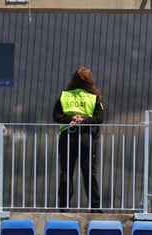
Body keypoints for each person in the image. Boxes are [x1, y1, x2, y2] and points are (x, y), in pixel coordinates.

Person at [53, 66, 104, 210]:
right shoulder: (93, 98)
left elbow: (56, 115)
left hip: (67, 135)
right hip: (86, 136)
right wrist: (84, 120)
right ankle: (95, 206)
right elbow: (99, 118)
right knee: (88, 171)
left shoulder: (65, 96)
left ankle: (63, 206)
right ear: (90, 81)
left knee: (66, 171)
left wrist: (70, 119)